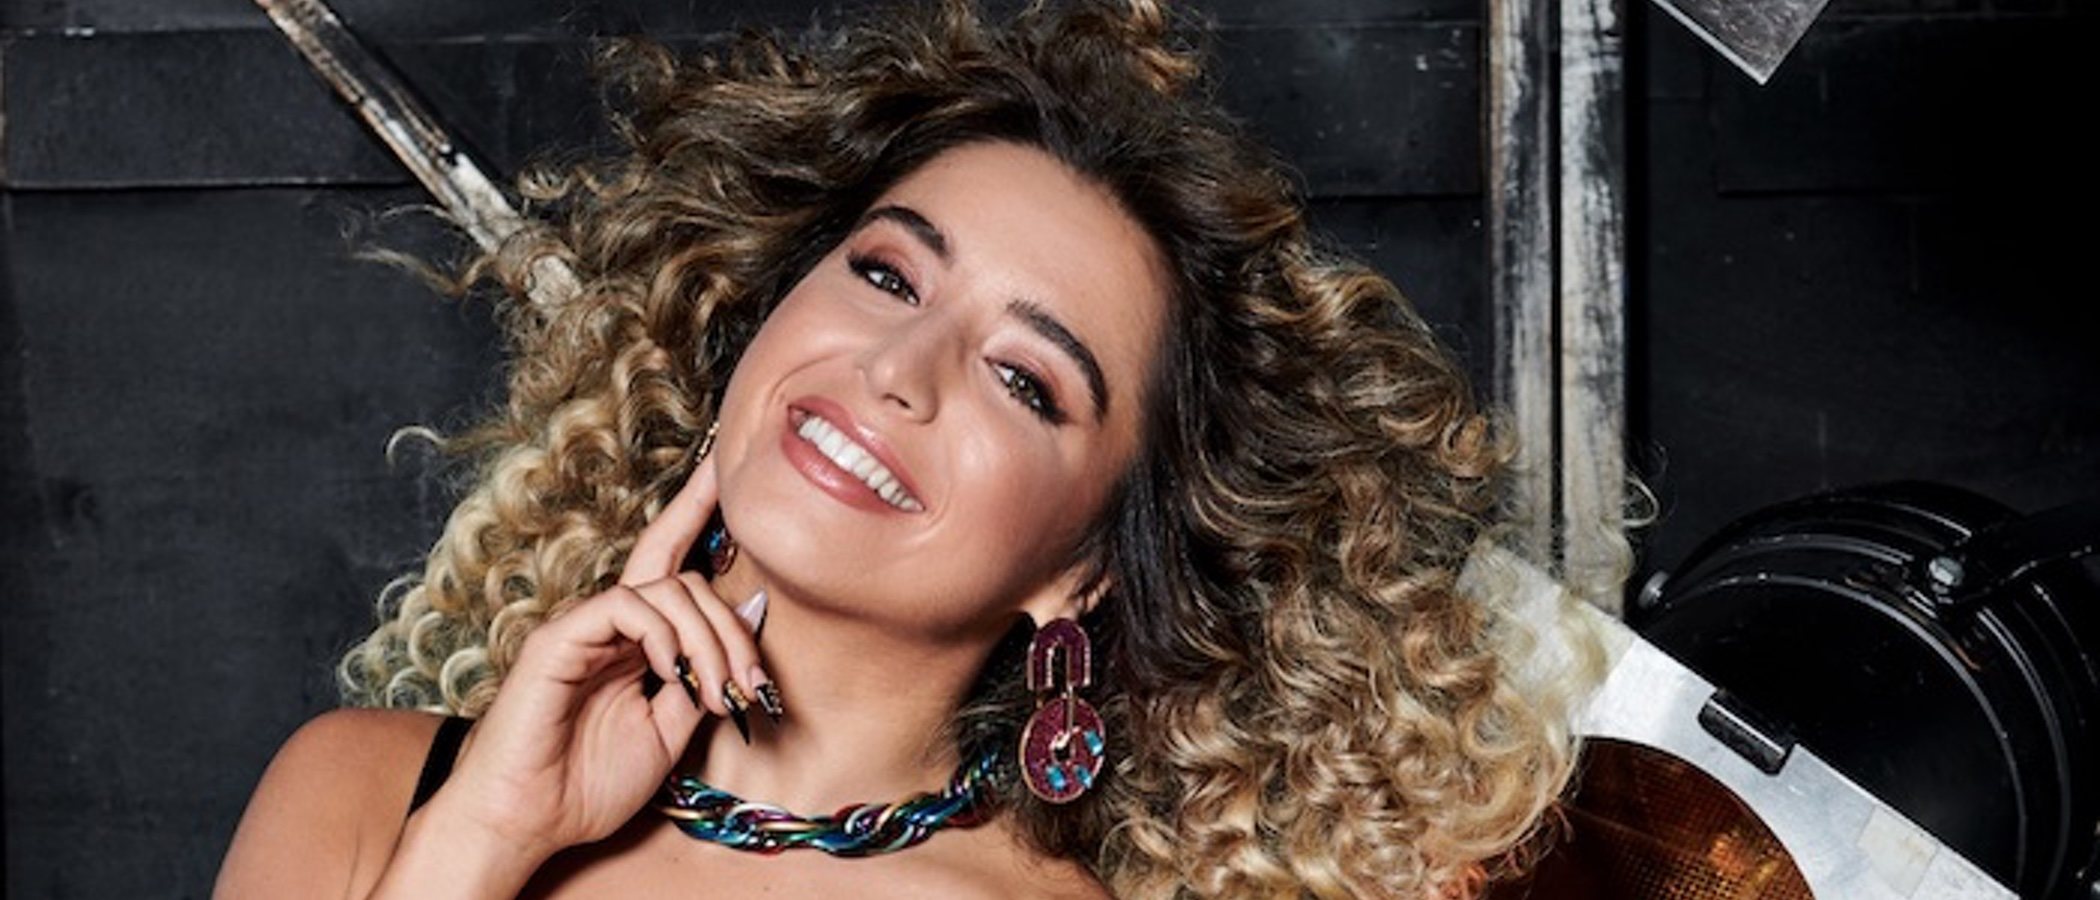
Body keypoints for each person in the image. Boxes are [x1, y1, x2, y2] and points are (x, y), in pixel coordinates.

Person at [215, 1, 1585, 896]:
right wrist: (481, 841)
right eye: (885, 276)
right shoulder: (363, 794)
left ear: (1086, 566)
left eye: (1025, 380)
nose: (899, 369)